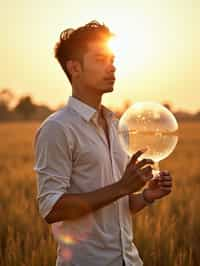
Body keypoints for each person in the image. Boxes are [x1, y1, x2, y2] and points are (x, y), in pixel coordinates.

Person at [34, 21, 173, 266]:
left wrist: (146, 196)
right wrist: (122, 186)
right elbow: (52, 209)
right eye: (100, 60)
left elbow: (117, 208)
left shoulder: (117, 126)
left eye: (112, 59)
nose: (112, 68)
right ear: (75, 68)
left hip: (130, 261)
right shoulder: (57, 128)